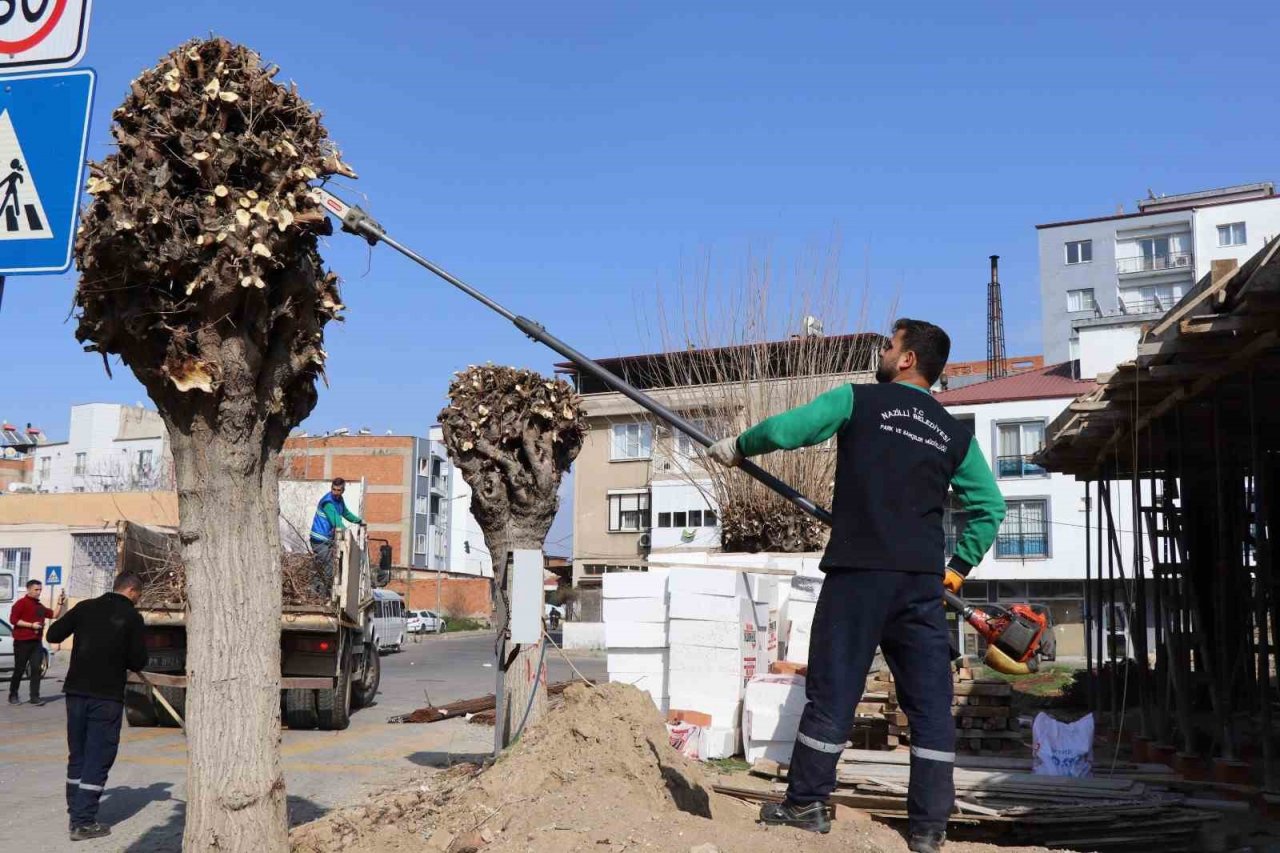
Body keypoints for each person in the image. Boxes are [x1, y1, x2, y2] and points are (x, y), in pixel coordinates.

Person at [706, 318, 1005, 853]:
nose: (883, 353)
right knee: (930, 706)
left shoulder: (858, 401)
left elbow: (790, 430)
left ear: (907, 358)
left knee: (834, 691)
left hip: (859, 573)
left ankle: (806, 804)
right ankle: (929, 828)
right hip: (920, 584)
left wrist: (739, 445)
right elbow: (990, 506)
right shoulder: (954, 433)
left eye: (890, 345)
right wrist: (955, 570)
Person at [46, 572, 148, 842]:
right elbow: (138, 661)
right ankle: (83, 822)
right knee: (98, 756)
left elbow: (53, 633)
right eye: (138, 596)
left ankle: (75, 810)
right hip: (106, 697)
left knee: (78, 753)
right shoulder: (132, 617)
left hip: (75, 693)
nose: (138, 600)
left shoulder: (85, 607)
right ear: (132, 591)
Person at [8, 579, 62, 705]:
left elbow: (54, 615)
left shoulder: (39, 606)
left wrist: (60, 602)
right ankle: (13, 695)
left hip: (36, 643)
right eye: (36, 590)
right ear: (28, 590)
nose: (38, 592)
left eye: (40, 590)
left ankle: (34, 697)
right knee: (19, 669)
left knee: (36, 669)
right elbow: (13, 620)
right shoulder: (20, 604)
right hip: (22, 642)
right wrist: (31, 625)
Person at [310, 477, 365, 585]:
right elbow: (337, 523)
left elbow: (346, 513)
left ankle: (316, 590)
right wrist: (349, 536)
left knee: (320, 567)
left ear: (343, 490)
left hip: (327, 539)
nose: (335, 492)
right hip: (319, 539)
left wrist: (359, 521)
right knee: (330, 566)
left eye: (338, 490)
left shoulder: (339, 500)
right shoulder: (328, 502)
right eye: (333, 489)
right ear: (331, 488)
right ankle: (326, 591)